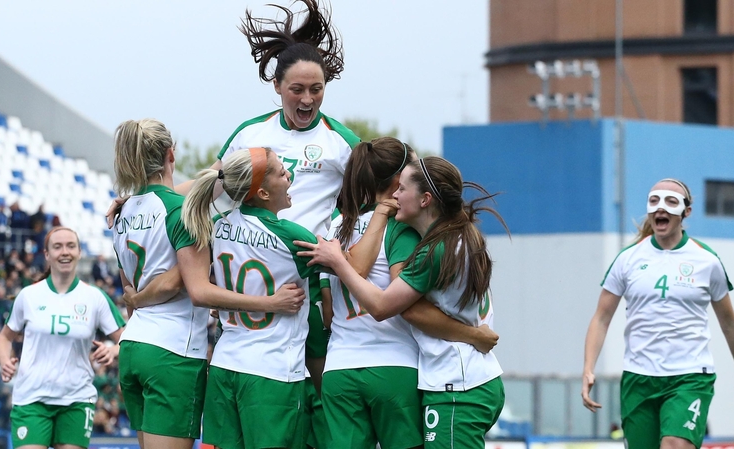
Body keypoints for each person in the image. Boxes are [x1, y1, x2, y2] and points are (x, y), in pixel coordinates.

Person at [111, 119, 305, 449]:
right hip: (173, 350)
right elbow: (193, 287)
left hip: (133, 345)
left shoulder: (122, 211)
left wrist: (139, 300)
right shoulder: (181, 211)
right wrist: (270, 303)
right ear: (171, 154)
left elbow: (129, 286)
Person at [296, 156, 507, 448]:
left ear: (425, 199)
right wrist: (473, 334)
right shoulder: (457, 237)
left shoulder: (435, 249)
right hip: (461, 378)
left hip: (457, 383)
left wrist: (339, 262)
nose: (394, 195)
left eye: (403, 189)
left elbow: (385, 307)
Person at [581, 178, 734, 449]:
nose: (660, 208)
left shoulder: (706, 260)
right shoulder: (628, 258)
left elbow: (729, 322)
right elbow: (601, 317)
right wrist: (588, 369)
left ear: (686, 211)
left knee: (674, 445)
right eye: (654, 201)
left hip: (690, 376)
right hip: (639, 378)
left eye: (670, 201)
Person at [181, 147, 324, 449]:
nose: (289, 175)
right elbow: (352, 268)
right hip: (272, 371)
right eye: (281, 172)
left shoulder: (217, 226)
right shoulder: (292, 236)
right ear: (262, 193)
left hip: (224, 366)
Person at [0, 226, 126, 449]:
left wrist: (113, 350)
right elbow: (4, 338)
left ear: (79, 252)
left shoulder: (95, 297)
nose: (65, 252)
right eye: (57, 247)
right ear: (47, 255)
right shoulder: (28, 295)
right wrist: (5, 361)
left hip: (76, 400)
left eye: (70, 246)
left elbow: (127, 339)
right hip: (31, 399)